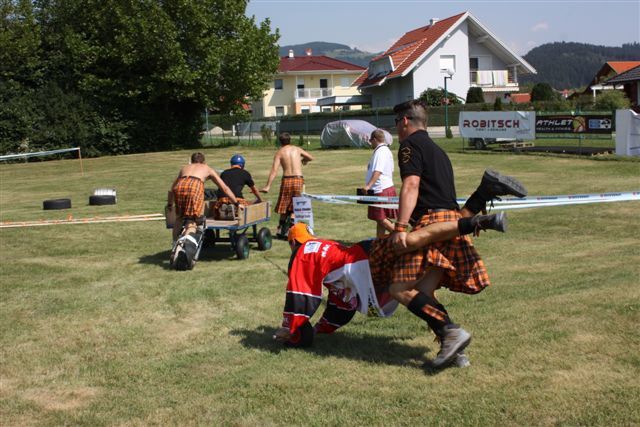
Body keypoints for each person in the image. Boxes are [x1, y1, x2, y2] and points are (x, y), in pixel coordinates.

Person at [273, 191, 513, 367]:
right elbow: (342, 300)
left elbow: (302, 293)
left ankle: (477, 213)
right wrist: (320, 329)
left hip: (367, 263)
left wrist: (291, 329)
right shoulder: (327, 246)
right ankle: (452, 342)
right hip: (365, 253)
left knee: (412, 269)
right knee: (422, 280)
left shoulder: (303, 254)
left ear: (294, 243)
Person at [383, 99, 527, 369]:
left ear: (404, 121)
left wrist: (401, 226)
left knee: (399, 288)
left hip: (433, 222)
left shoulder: (409, 145)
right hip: (450, 219)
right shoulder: (437, 150)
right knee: (424, 291)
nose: (396, 129)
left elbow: (411, 185)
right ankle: (455, 348)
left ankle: (451, 331)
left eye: (396, 123)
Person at [169, 152, 238, 241]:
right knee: (192, 221)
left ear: (191, 161)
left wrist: (170, 204)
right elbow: (225, 188)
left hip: (180, 185)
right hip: (194, 186)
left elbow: (172, 189)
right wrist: (236, 203)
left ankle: (175, 245)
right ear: (204, 162)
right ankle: (185, 243)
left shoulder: (184, 168)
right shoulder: (207, 168)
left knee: (179, 218)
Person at [261, 133, 314, 239]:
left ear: (280, 142)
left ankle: (281, 230)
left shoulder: (279, 153)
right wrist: (304, 160)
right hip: (298, 179)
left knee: (284, 206)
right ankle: (291, 230)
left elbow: (274, 171)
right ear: (290, 140)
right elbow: (310, 157)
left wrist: (268, 186)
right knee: (296, 205)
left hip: (287, 180)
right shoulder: (297, 149)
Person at [361, 129, 398, 237]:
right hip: (384, 188)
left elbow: (378, 171)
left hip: (380, 189)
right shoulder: (384, 150)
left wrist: (368, 186)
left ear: (375, 139)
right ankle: (379, 242)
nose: (370, 142)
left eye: (370, 140)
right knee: (380, 219)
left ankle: (404, 237)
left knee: (381, 219)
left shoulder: (380, 152)